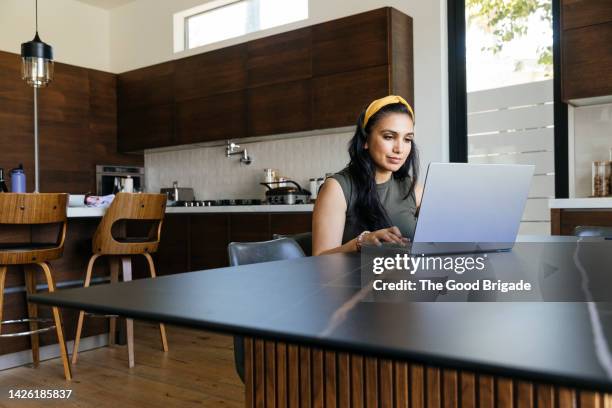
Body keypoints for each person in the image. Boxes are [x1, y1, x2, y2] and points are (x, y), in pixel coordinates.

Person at [312, 95, 423, 256]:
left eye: (407, 139)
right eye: (389, 137)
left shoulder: (412, 188)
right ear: (365, 140)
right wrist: (360, 243)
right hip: (355, 280)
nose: (400, 148)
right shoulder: (337, 188)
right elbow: (319, 259)